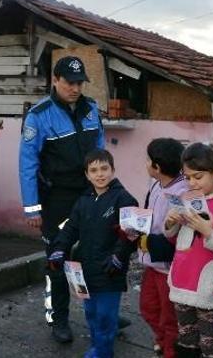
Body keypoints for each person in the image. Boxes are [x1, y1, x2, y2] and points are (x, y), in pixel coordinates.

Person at [18, 56, 105, 342]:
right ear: (55, 80)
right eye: (70, 82)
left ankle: (102, 314)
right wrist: (32, 209)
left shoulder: (91, 109)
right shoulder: (39, 115)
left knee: (94, 255)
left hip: (88, 195)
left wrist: (105, 189)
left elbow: (101, 153)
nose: (75, 88)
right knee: (57, 260)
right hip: (55, 199)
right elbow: (27, 164)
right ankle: (58, 320)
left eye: (80, 82)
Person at [48, 149, 138, 358]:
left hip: (110, 269)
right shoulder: (83, 201)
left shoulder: (124, 198)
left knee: (105, 315)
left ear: (113, 170)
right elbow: (70, 228)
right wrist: (59, 250)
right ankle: (99, 345)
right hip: (85, 270)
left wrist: (118, 256)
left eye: (104, 168)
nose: (100, 174)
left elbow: (131, 235)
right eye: (94, 170)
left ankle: (103, 352)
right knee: (91, 314)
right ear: (87, 175)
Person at [163, 143, 213, 358]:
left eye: (198, 176)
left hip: (208, 286)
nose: (192, 183)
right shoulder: (188, 200)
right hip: (181, 280)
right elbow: (178, 243)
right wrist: (171, 223)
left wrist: (209, 232)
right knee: (186, 339)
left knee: (211, 344)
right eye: (187, 177)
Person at [137, 138, 189, 358]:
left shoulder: (181, 193)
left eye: (148, 159)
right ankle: (161, 341)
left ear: (157, 167)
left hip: (168, 268)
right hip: (151, 263)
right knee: (148, 309)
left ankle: (170, 351)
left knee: (170, 319)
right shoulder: (156, 183)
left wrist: (148, 242)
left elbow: (176, 235)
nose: (145, 163)